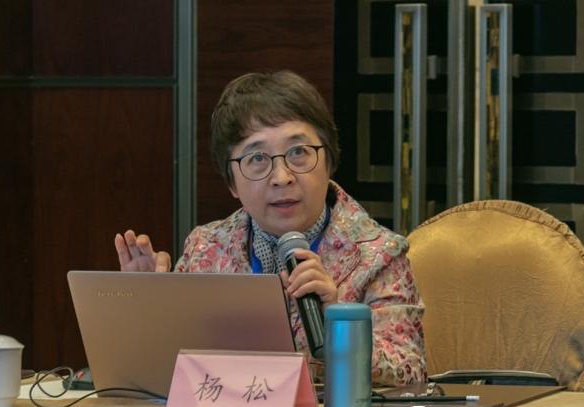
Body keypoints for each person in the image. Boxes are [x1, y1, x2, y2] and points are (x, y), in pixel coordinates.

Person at [114, 70, 426, 386]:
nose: (281, 177)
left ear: (329, 161)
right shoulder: (205, 249)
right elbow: (169, 373)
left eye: (298, 153)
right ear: (231, 183)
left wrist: (339, 322)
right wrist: (146, 307)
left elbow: (410, 371)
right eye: (257, 158)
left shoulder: (380, 255)